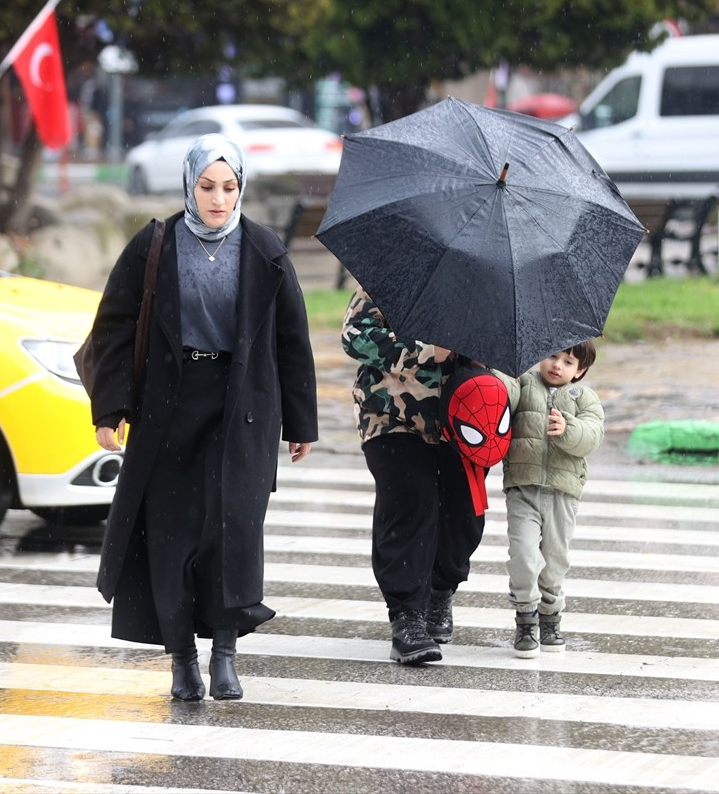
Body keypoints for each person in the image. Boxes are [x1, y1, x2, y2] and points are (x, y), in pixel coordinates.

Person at [86, 133, 318, 702]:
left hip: (244, 410)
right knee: (173, 536)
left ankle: (225, 653)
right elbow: (115, 325)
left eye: (229, 187)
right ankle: (182, 660)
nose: (218, 199)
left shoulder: (264, 250)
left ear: (242, 188)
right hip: (169, 406)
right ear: (189, 185)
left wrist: (301, 422)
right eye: (207, 186)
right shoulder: (155, 245)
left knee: (231, 533)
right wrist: (110, 409)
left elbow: (292, 339)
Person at [341, 286, 485, 665]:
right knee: (410, 504)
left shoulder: (486, 282)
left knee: (465, 516)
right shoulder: (389, 276)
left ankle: (441, 591)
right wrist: (424, 351)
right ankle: (407, 617)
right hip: (390, 417)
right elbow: (355, 338)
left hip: (464, 419)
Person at [493, 342, 604, 658]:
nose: (557, 365)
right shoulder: (524, 383)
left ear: (579, 371)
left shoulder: (584, 399)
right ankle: (526, 619)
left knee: (555, 559)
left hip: (562, 492)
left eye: (568, 361)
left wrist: (569, 429)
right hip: (523, 488)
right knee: (524, 555)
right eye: (552, 356)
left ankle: (550, 616)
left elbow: (593, 435)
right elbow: (501, 395)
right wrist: (504, 372)